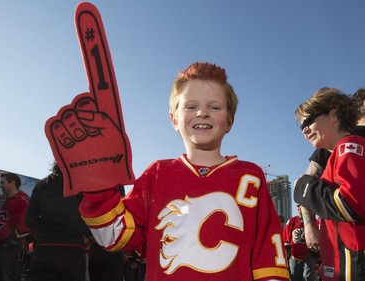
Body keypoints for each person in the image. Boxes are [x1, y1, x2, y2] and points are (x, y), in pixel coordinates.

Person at [75, 62, 289, 280]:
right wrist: (97, 188)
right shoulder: (157, 173)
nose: (202, 113)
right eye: (190, 106)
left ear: (229, 121)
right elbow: (117, 237)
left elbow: (268, 254)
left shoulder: (250, 176)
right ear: (174, 119)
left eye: (214, 107)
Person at [294, 87, 365, 280]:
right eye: (301, 127)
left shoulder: (349, 147)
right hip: (338, 260)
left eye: (309, 121)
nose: (305, 130)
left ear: (333, 114)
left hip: (353, 262)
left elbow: (349, 204)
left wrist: (303, 187)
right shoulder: (336, 155)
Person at [25, 162, 91, 281]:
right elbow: (88, 222)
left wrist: (45, 230)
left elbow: (30, 220)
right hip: (72, 251)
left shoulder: (42, 185)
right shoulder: (82, 187)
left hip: (44, 249)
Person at [0, 173, 31, 281]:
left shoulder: (22, 201)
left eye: (3, 182)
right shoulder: (5, 203)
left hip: (9, 249)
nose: (0, 185)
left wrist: (7, 242)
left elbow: (24, 228)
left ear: (12, 183)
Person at [283, 204, 317, 281]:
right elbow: (286, 238)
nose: (299, 208)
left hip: (309, 253)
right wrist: (288, 254)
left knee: (308, 276)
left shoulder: (312, 221)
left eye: (302, 206)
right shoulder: (291, 221)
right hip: (294, 254)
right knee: (295, 276)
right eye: (298, 206)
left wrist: (316, 252)